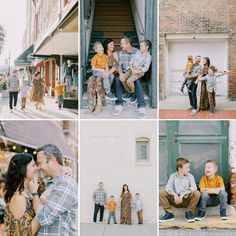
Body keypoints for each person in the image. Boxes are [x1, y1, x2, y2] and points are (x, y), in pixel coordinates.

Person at [28, 144, 78, 235]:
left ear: (52, 161)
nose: (38, 167)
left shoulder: (65, 184)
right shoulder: (50, 181)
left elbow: (44, 218)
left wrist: (35, 194)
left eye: (39, 163)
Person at [3, 153, 40, 235]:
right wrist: (42, 209)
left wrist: (65, 170)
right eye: (33, 165)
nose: (36, 168)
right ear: (23, 169)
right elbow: (25, 233)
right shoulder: (18, 198)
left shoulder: (33, 186)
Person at [112, 36, 146, 119]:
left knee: (136, 80)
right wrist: (120, 74)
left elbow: (141, 66)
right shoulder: (120, 53)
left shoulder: (138, 52)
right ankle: (119, 104)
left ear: (128, 44)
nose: (120, 45)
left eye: (122, 44)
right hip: (124, 73)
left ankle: (141, 106)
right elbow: (118, 66)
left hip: (134, 73)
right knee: (117, 79)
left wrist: (133, 72)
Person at [159, 158, 200, 223]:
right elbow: (168, 188)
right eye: (187, 168)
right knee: (161, 193)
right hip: (175, 200)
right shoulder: (173, 176)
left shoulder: (190, 176)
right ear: (180, 168)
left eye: (189, 167)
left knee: (197, 193)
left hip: (186, 200)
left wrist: (182, 194)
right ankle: (169, 213)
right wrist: (175, 195)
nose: (189, 169)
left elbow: (194, 187)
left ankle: (190, 212)